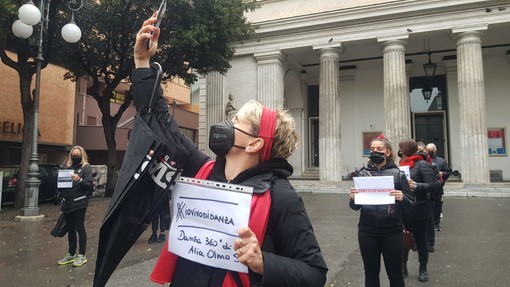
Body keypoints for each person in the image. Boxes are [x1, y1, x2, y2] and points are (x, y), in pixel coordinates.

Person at [132, 14, 328, 287]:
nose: (226, 123)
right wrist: (143, 64)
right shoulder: (203, 170)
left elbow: (314, 273)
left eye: (237, 121)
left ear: (255, 143)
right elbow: (163, 123)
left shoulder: (281, 196)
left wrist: (263, 263)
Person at [349, 137, 414, 287]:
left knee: (396, 275)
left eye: (379, 149)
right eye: (372, 149)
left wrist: (403, 198)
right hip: (367, 231)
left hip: (392, 231)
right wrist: (353, 199)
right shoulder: (362, 174)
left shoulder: (398, 174)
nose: (375, 152)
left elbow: (410, 206)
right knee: (370, 274)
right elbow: (355, 207)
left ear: (388, 152)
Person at [398, 139, 438, 282]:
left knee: (421, 241)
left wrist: (416, 186)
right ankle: (403, 267)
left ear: (406, 149)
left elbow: (433, 185)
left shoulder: (422, 164)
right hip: (404, 209)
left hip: (420, 208)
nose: (400, 151)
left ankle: (423, 269)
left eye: (401, 148)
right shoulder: (401, 165)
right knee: (403, 241)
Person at [57, 145, 94, 267]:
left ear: (82, 155)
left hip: (79, 202)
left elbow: (89, 186)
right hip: (67, 203)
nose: (75, 156)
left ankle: (82, 255)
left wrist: (79, 180)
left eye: (78, 154)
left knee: (80, 228)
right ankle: (71, 254)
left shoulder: (86, 168)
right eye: (74, 154)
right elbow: (61, 186)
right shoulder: (67, 167)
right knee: (70, 230)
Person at [426, 143, 451, 231]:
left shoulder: (441, 161)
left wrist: (442, 173)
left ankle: (436, 224)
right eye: (428, 150)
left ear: (435, 151)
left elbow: (448, 172)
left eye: (431, 150)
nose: (429, 152)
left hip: (438, 188)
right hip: (427, 187)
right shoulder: (423, 161)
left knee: (437, 206)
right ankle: (429, 223)